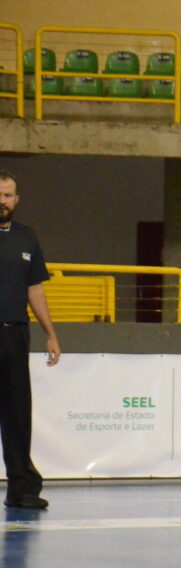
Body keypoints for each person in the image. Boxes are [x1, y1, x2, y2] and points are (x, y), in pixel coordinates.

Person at [0, 171, 59, 511]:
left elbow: (34, 289)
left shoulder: (27, 238)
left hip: (14, 334)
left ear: (17, 200)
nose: (3, 201)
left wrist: (50, 333)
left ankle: (21, 488)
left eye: (8, 195)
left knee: (17, 413)